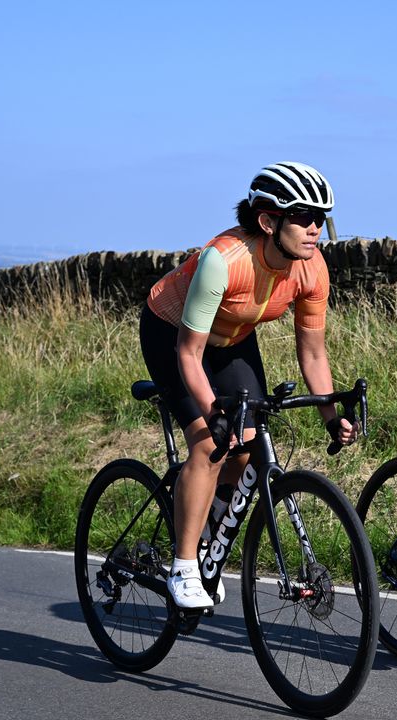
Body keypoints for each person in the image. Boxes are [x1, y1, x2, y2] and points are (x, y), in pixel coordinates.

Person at [139, 161, 356, 609]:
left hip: (233, 338)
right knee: (208, 443)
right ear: (268, 221)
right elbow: (187, 354)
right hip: (172, 334)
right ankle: (184, 566)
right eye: (302, 217)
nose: (315, 228)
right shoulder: (225, 261)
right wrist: (212, 413)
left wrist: (332, 417)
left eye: (321, 218)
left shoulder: (312, 269)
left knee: (248, 443)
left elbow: (313, 354)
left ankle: (202, 525)